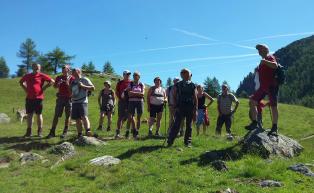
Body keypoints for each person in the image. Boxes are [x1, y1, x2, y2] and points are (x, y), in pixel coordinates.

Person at [245, 44, 279, 136]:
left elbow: (275, 66)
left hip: (271, 86)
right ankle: (255, 122)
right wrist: (258, 69)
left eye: (259, 50)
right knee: (252, 101)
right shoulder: (263, 61)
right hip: (263, 87)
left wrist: (264, 61)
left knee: (273, 106)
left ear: (265, 50)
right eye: (258, 50)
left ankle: (274, 127)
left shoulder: (269, 57)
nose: (258, 52)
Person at [19, 63, 54, 137]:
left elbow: (52, 81)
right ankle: (29, 132)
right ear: (32, 68)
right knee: (29, 115)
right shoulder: (28, 75)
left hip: (38, 98)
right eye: (35, 67)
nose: (37, 68)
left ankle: (39, 131)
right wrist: (26, 89)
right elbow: (21, 82)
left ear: (40, 68)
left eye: (38, 67)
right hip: (29, 98)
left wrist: (44, 88)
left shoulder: (42, 75)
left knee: (39, 114)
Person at [167, 68, 198, 147]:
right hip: (180, 107)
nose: (185, 74)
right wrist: (174, 106)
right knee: (176, 124)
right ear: (181, 75)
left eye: (186, 73)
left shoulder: (193, 85)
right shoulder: (177, 84)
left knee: (189, 125)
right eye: (183, 73)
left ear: (190, 74)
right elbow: (173, 95)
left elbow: (195, 97)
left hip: (190, 107)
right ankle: (170, 141)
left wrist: (196, 109)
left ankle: (187, 142)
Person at [47, 64, 75, 139]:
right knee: (56, 115)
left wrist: (67, 84)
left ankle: (65, 131)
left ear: (68, 70)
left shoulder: (72, 78)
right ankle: (52, 131)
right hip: (60, 98)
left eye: (65, 69)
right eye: (62, 69)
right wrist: (58, 84)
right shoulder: (59, 77)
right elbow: (55, 86)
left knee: (68, 115)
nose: (63, 70)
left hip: (69, 98)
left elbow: (74, 89)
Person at [70, 68, 95, 138]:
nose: (72, 72)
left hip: (82, 101)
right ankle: (79, 134)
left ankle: (88, 131)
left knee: (84, 116)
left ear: (78, 72)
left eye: (73, 71)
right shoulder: (72, 82)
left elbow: (93, 88)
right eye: (72, 71)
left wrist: (83, 86)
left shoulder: (85, 79)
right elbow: (71, 91)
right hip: (74, 101)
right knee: (77, 119)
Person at [126, 71, 145, 139]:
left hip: (140, 102)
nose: (135, 76)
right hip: (131, 102)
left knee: (139, 118)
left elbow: (142, 94)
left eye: (136, 75)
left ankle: (136, 132)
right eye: (134, 75)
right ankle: (127, 131)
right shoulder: (130, 84)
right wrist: (138, 94)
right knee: (130, 117)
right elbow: (129, 94)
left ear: (139, 77)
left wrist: (133, 93)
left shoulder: (142, 84)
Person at [114, 70, 131, 139]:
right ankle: (117, 133)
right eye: (127, 74)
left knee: (128, 117)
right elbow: (117, 91)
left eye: (129, 74)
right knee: (120, 117)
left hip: (129, 102)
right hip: (122, 102)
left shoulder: (131, 83)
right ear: (123, 75)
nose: (128, 76)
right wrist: (120, 98)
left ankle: (127, 132)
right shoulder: (120, 83)